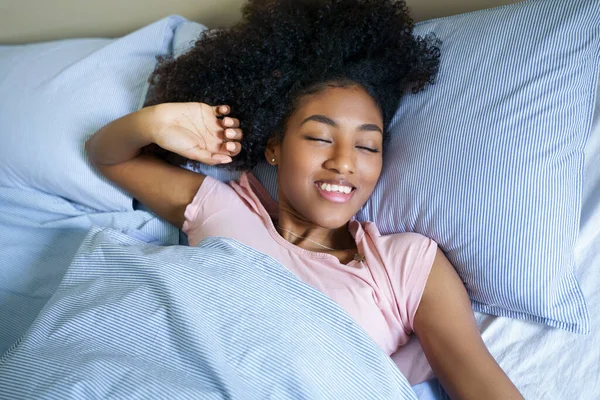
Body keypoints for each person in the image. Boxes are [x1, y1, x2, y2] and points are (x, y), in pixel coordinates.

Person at [86, 0, 523, 398]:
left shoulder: (405, 265)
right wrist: (156, 122)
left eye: (367, 147)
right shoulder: (225, 209)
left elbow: (479, 380)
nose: (344, 162)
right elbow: (108, 156)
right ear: (273, 147)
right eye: (318, 136)